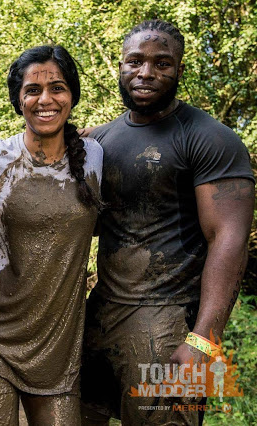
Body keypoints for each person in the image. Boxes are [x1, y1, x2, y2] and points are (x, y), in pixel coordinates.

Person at [80, 20, 255, 425]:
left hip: (171, 321)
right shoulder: (100, 142)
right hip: (100, 314)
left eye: (162, 63)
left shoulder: (210, 138)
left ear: (179, 70)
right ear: (121, 67)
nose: (146, 73)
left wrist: (206, 339)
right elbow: (83, 224)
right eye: (135, 61)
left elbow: (229, 237)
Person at [0, 45, 103, 425]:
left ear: (72, 95)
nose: (45, 99)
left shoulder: (94, 155)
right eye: (32, 89)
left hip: (59, 344)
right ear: (18, 100)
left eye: (57, 87)